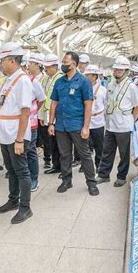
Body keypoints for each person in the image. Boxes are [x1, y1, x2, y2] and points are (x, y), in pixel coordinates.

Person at [0, 42, 33, 224]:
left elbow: (25, 112)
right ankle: (13, 200)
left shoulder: (22, 80)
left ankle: (25, 207)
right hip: (4, 134)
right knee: (11, 170)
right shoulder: (9, 79)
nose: (1, 64)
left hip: (15, 135)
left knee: (22, 171)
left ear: (11, 60)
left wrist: (19, 140)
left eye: (2, 60)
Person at [48, 51, 99, 196]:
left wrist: (86, 127)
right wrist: (51, 123)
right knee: (64, 155)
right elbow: (54, 103)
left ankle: (91, 183)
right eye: (62, 62)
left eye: (65, 63)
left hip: (77, 124)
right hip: (61, 126)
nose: (62, 65)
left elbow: (88, 105)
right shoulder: (59, 82)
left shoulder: (83, 82)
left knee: (85, 155)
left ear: (74, 64)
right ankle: (66, 180)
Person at [96, 56, 138, 187]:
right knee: (107, 152)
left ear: (126, 71)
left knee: (123, 154)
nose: (116, 72)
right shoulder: (110, 84)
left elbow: (137, 106)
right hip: (110, 126)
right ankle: (104, 175)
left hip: (124, 127)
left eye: (120, 70)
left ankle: (121, 176)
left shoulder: (131, 87)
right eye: (115, 70)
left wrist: (131, 121)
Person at [27, 53, 47, 192]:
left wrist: (34, 111)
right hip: (19, 122)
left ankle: (34, 178)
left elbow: (41, 99)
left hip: (31, 121)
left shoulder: (36, 81)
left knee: (30, 150)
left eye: (31, 64)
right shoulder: (23, 79)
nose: (28, 66)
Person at [41, 54, 62, 176]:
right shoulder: (46, 79)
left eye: (48, 67)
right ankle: (56, 165)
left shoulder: (60, 78)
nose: (46, 70)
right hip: (48, 115)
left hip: (57, 116)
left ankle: (62, 167)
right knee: (52, 143)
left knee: (60, 144)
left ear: (55, 66)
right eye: (45, 67)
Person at [84, 65, 106, 171]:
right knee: (86, 147)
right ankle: (88, 167)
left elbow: (106, 105)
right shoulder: (82, 89)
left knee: (99, 147)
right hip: (86, 123)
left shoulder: (102, 90)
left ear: (94, 76)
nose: (86, 77)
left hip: (98, 122)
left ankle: (99, 167)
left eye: (88, 75)